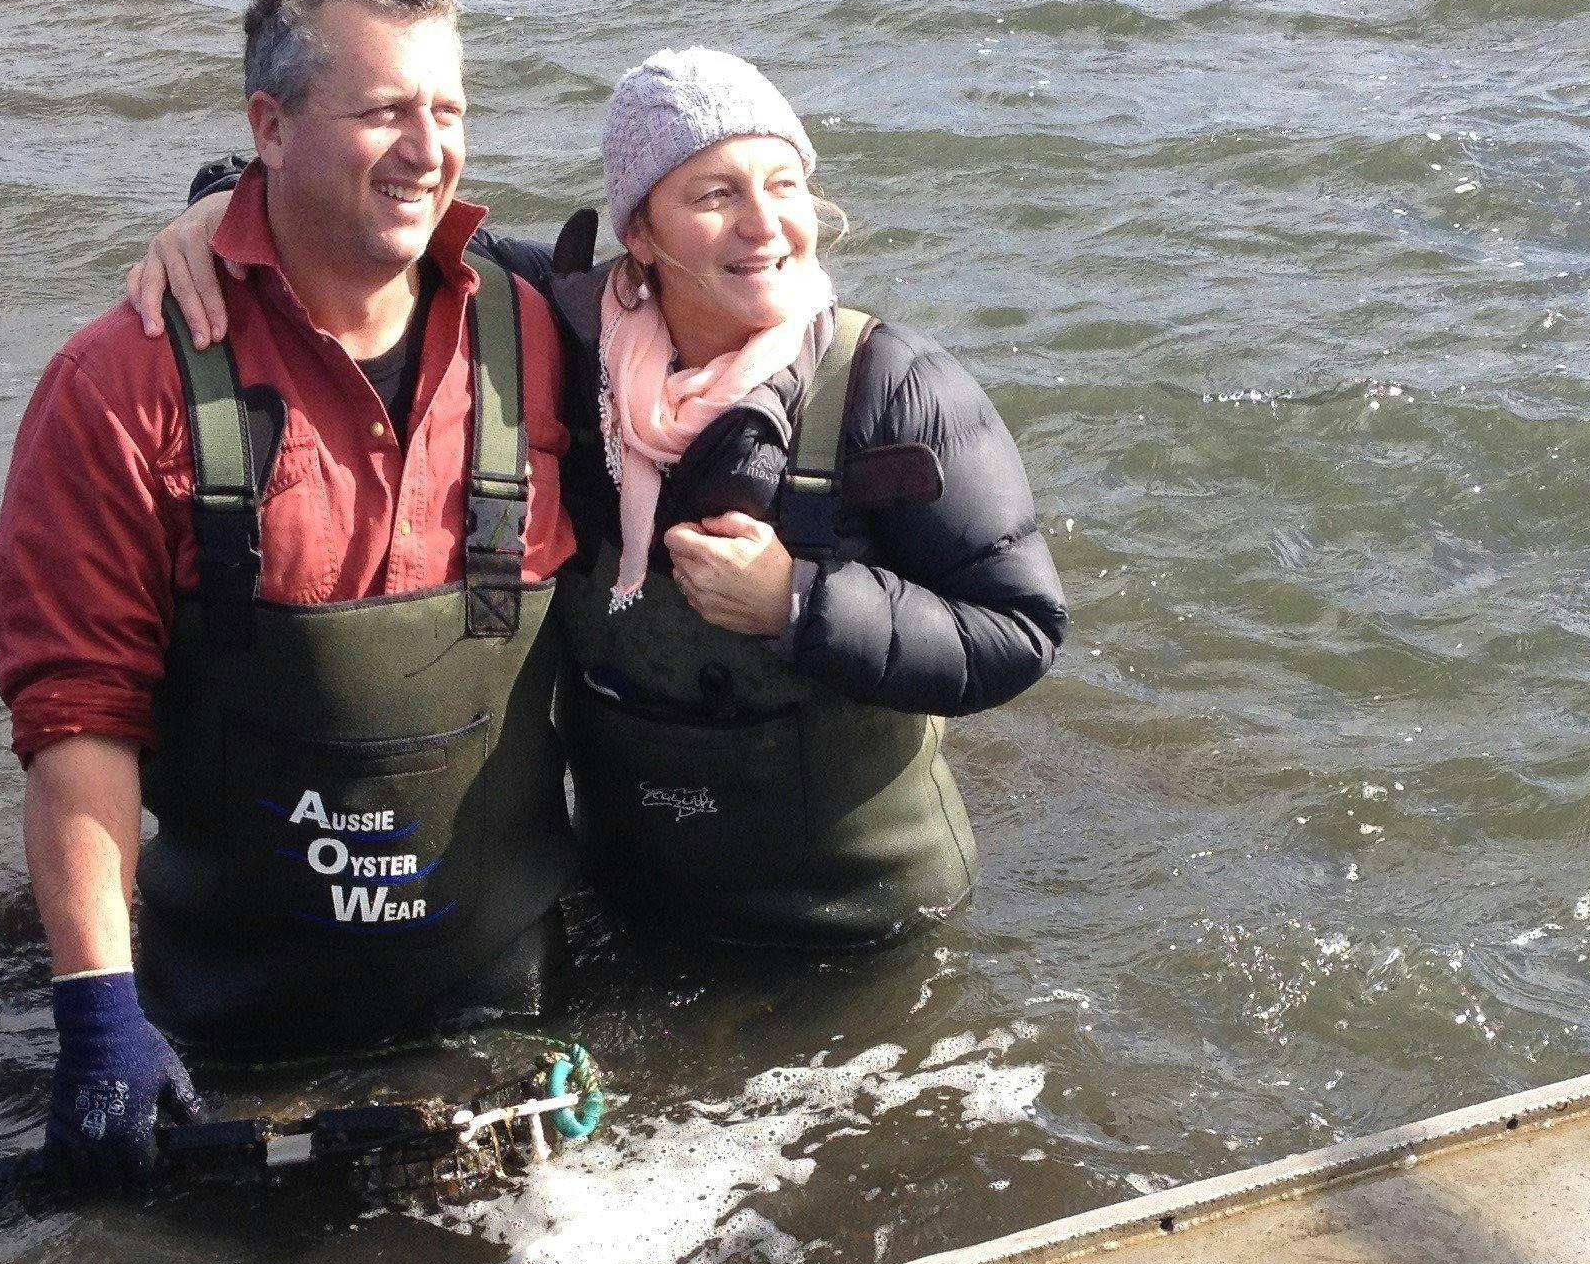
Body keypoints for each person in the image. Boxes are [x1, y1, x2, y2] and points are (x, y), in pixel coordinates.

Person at [123, 48, 1065, 950]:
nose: (765, 224)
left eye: (784, 185)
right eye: (716, 194)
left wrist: (801, 602)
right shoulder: (564, 337)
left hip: (862, 927)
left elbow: (1020, 629)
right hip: (630, 906)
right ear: (640, 234)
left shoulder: (891, 384)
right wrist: (217, 205)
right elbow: (383, 214)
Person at [0, 0, 576, 1186]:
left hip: (508, 1024)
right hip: (230, 1036)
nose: (428, 152)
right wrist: (98, 1016)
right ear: (269, 127)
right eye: (381, 113)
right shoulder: (120, 381)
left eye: (448, 108)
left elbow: (729, 280)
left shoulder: (546, 335)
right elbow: (78, 716)